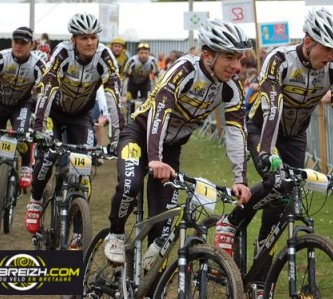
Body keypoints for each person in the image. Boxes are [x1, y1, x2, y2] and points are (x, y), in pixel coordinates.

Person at [212, 8, 333, 296]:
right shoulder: (280, 60)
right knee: (276, 181)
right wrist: (267, 152)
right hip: (261, 128)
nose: (331, 55)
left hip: (294, 136)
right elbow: (271, 107)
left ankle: (260, 274)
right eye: (326, 48)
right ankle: (231, 221)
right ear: (308, 42)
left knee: (283, 203)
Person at [103, 19, 253, 265]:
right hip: (140, 135)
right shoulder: (184, 70)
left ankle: (143, 280)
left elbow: (236, 131)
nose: (236, 66)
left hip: (171, 149)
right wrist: (153, 158)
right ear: (207, 55)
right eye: (229, 57)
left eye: (238, 58)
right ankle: (116, 233)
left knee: (164, 224)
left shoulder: (231, 87)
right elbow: (159, 112)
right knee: (131, 185)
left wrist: (240, 179)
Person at [25, 13, 125, 236]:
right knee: (48, 154)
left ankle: (79, 232)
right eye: (83, 38)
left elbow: (114, 96)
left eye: (93, 37)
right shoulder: (62, 53)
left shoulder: (105, 56)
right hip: (55, 112)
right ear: (73, 39)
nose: (90, 42)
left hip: (80, 116)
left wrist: (120, 136)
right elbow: (47, 87)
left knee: (84, 164)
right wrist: (40, 126)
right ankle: (36, 199)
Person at [0, 27, 46, 224]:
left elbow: (44, 94)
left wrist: (40, 121)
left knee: (21, 133)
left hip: (21, 105)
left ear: (31, 45)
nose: (18, 46)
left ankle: (26, 164)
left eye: (23, 43)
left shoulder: (38, 64)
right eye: (16, 41)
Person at [122, 42, 158, 113]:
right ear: (137, 53)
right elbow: (125, 77)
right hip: (132, 82)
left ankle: (144, 116)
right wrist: (123, 93)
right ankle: (131, 115)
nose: (144, 55)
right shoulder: (132, 61)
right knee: (131, 101)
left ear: (149, 53)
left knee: (147, 100)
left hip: (145, 82)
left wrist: (157, 91)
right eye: (141, 53)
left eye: (146, 53)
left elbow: (157, 77)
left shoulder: (153, 61)